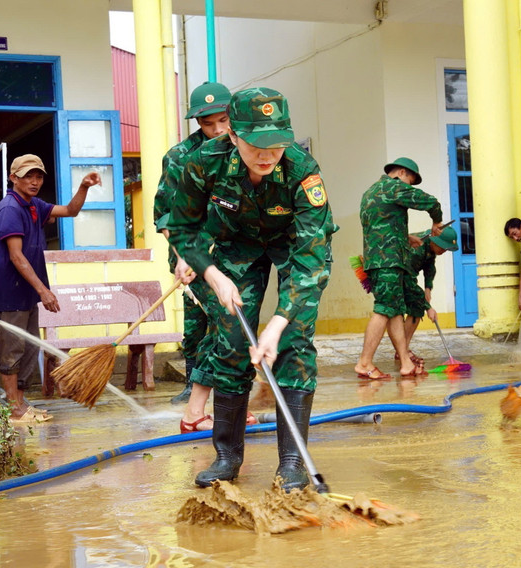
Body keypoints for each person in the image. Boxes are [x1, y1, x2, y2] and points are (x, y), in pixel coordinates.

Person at [167, 87, 336, 491]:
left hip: (293, 244)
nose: (267, 155)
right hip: (235, 245)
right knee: (229, 340)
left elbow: (311, 260)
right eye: (257, 144)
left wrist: (276, 325)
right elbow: (183, 229)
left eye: (276, 144)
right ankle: (227, 456)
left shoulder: (302, 170)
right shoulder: (202, 162)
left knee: (295, 341)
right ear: (233, 135)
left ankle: (292, 463)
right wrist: (212, 273)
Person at [0, 154, 100, 423]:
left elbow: (71, 211)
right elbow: (16, 256)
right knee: (12, 347)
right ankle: (13, 408)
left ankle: (21, 403)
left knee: (29, 346)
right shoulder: (9, 209)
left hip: (27, 288)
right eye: (28, 176)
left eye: (38, 176)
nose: (35, 181)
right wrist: (43, 290)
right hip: (11, 289)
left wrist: (83, 187)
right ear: (13, 178)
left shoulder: (34, 205)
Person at [154, 81, 236, 434]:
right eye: (207, 124)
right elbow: (165, 214)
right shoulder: (179, 157)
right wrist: (183, 256)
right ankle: (198, 409)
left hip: (236, 253)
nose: (217, 130)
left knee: (232, 322)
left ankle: (227, 404)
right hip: (195, 254)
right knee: (224, 317)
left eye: (223, 121)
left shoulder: (244, 146)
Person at [354, 157, 444, 380]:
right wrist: (437, 222)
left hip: (377, 260)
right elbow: (431, 202)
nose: (409, 187)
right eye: (410, 182)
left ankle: (405, 362)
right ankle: (364, 362)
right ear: (402, 172)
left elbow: (378, 227)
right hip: (389, 262)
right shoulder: (394, 187)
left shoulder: (370, 192)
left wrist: (405, 238)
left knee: (394, 311)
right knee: (384, 309)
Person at [395, 225, 459, 364]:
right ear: (435, 241)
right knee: (396, 311)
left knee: (416, 309)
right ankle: (402, 351)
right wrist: (428, 306)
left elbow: (430, 267)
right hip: (393, 276)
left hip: (405, 277)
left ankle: (403, 350)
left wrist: (428, 288)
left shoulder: (431, 247)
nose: (443, 251)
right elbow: (409, 281)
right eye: (442, 247)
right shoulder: (417, 249)